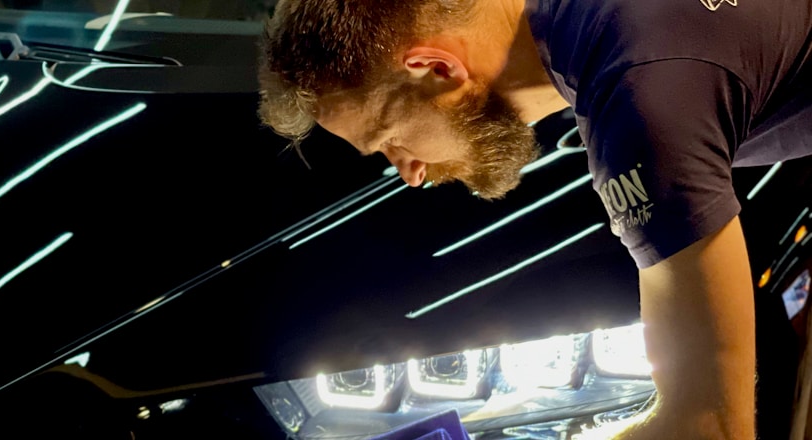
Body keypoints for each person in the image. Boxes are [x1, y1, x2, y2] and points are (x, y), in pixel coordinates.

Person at [259, 0, 812, 438]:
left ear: (436, 69)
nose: (411, 172)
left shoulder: (638, 94)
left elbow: (707, 428)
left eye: (391, 141)